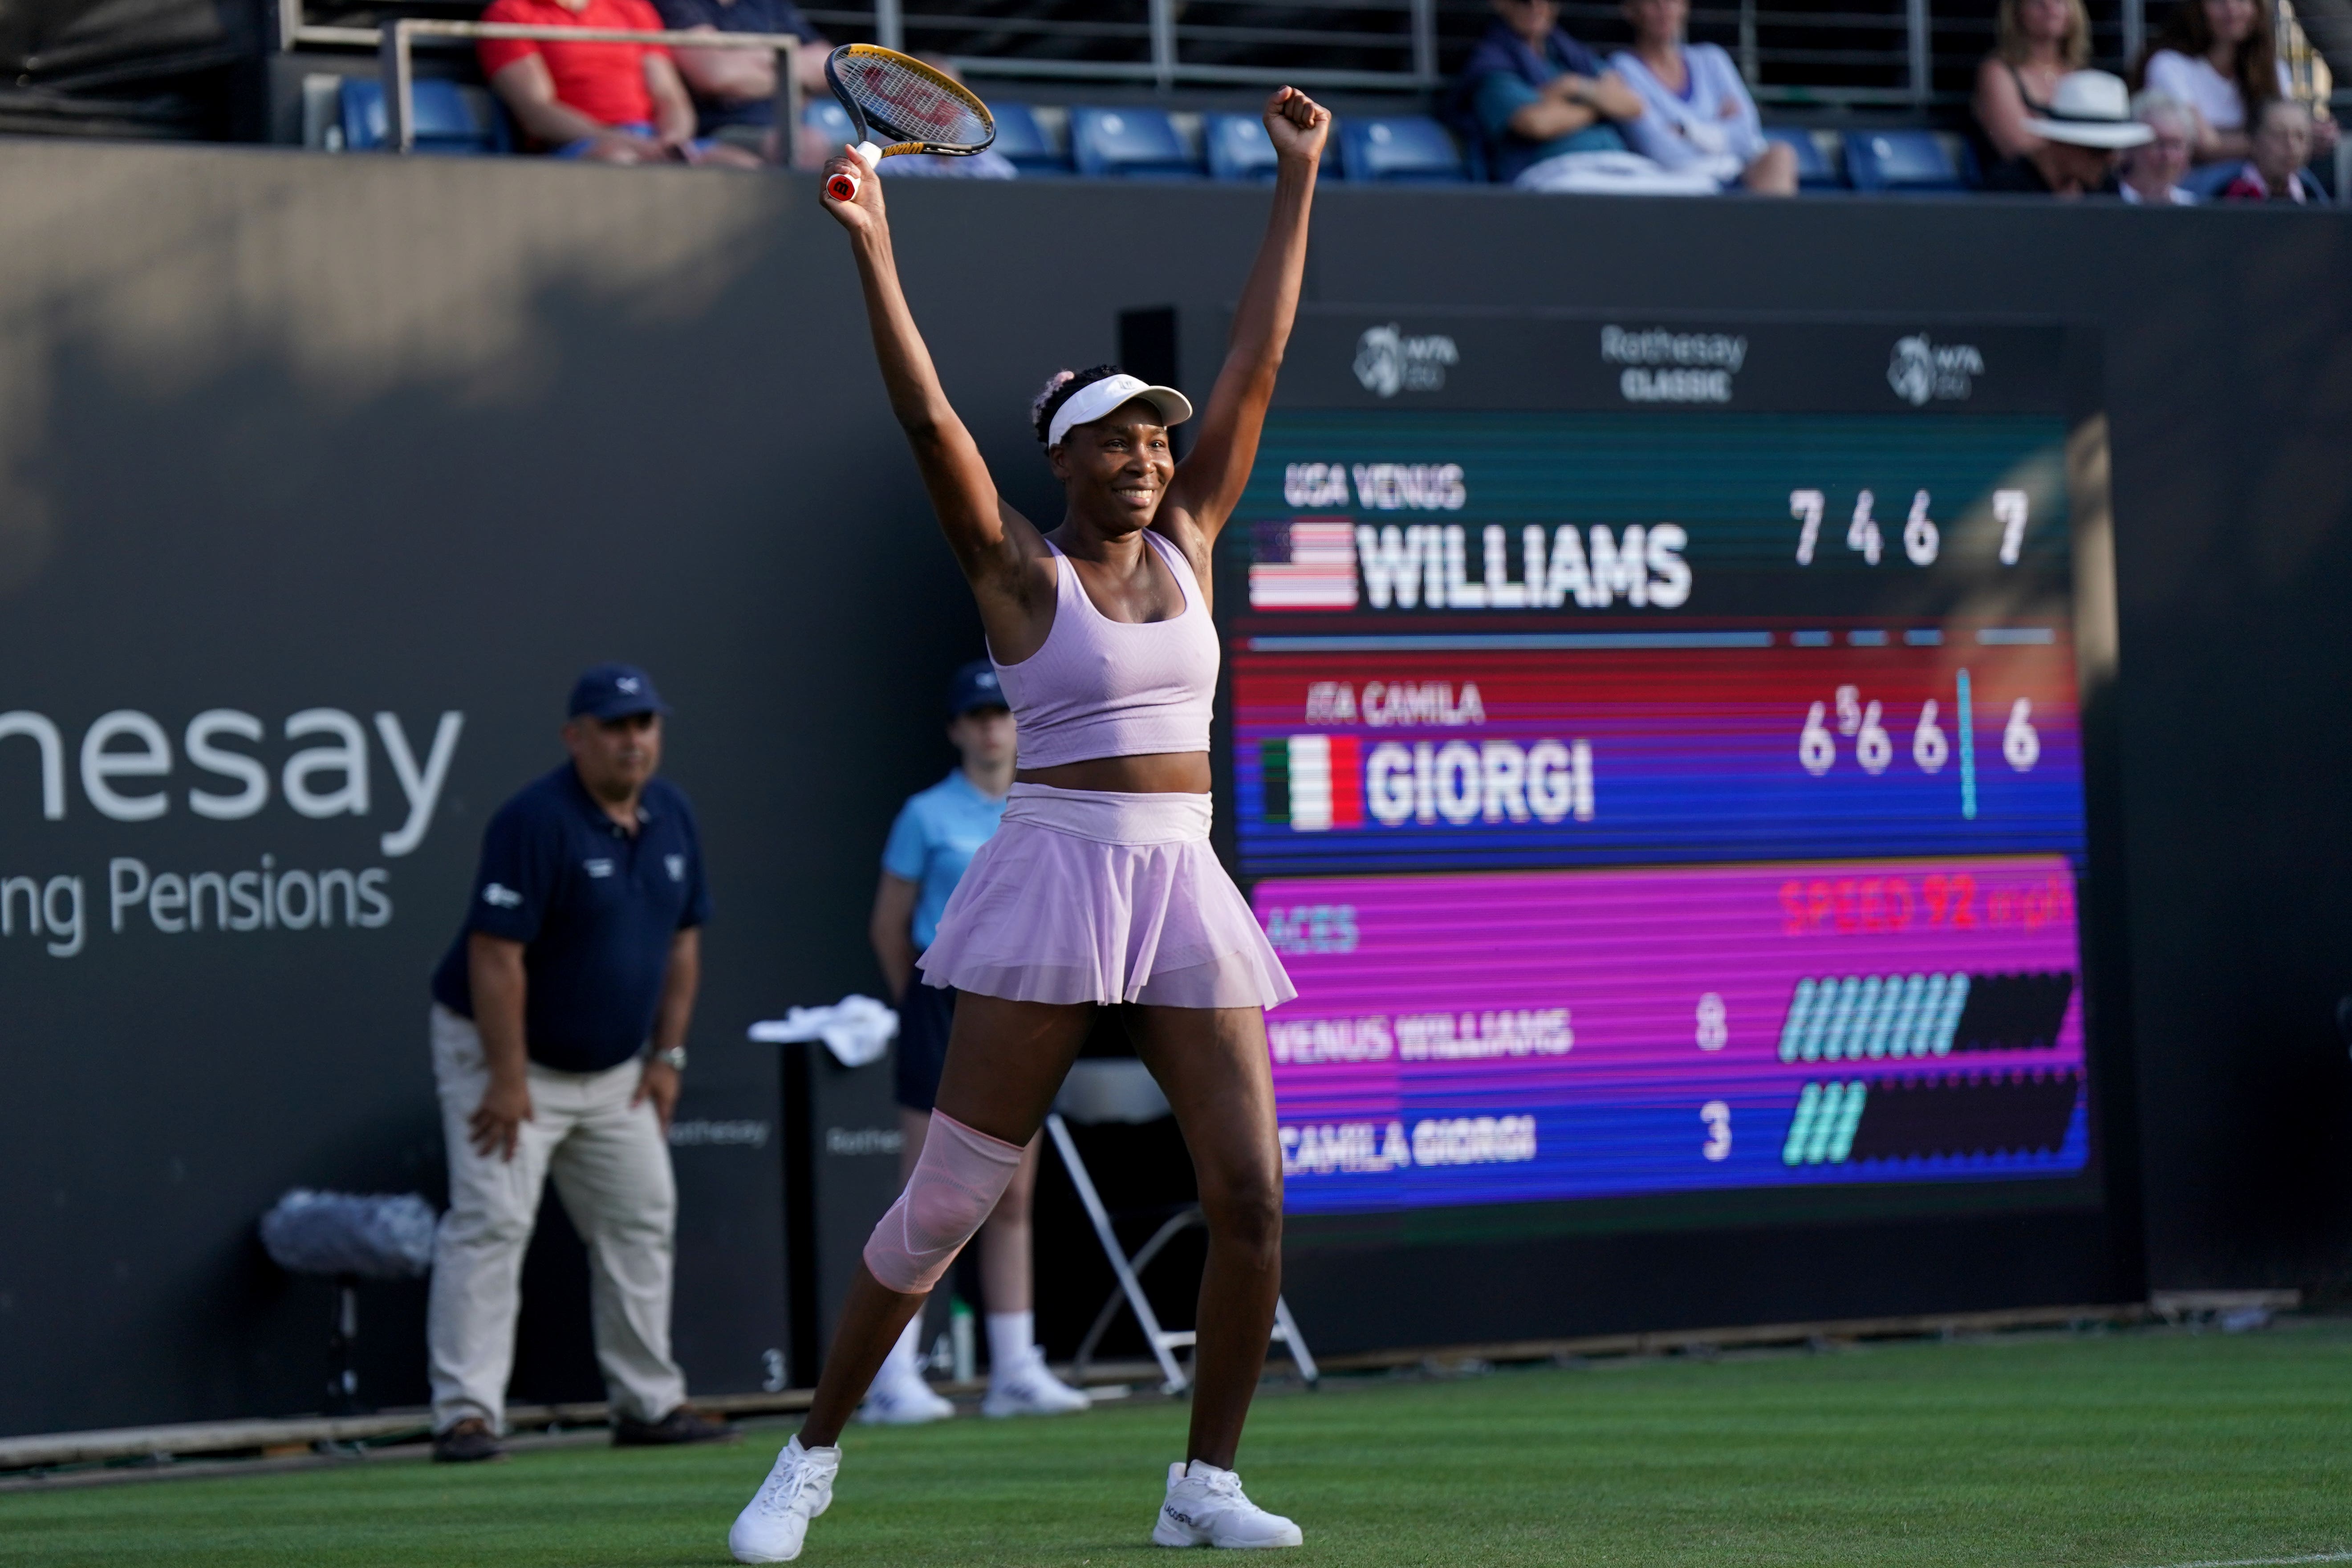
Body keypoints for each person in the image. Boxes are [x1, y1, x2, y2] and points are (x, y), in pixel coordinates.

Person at [727, 85, 1324, 1564]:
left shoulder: (1188, 539)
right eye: (1109, 437)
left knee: (1250, 1197)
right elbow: (926, 417)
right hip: (1054, 872)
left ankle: (1201, 1485)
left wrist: (1296, 178)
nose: (1141, 451)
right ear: (1059, 462)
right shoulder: (1016, 574)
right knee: (946, 1202)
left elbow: (1256, 357)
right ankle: (808, 1458)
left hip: (1178, 877)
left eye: (1150, 434)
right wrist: (872, 242)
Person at [426, 664, 731, 1463]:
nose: (633, 741)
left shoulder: (672, 814)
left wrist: (667, 1056)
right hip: (507, 1059)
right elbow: (495, 955)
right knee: (491, 1221)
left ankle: (647, 1402)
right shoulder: (535, 820)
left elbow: (684, 941)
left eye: (644, 726)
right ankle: (465, 1413)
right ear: (576, 738)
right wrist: (508, 1076)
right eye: (614, 727)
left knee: (640, 1216)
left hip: (615, 1071)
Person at [860, 659, 1089, 1422]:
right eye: (977, 715)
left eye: (1002, 712)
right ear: (957, 729)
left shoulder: (1042, 807)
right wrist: (925, 995)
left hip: (1021, 1002)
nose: (992, 726)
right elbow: (889, 927)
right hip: (942, 1002)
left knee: (1015, 1192)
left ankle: (1015, 1369)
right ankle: (891, 1376)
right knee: (930, 1194)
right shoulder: (924, 814)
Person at [477, 0, 760, 165]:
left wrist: (673, 141)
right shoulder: (508, 14)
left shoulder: (632, 7)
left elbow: (668, 94)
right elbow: (538, 113)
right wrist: (626, 142)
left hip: (653, 139)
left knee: (741, 166)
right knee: (620, 161)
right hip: (577, 146)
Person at [1455, 0, 1650, 187]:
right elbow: (1537, 124)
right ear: (1501, 3)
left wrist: (1575, 87)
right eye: (1524, 1)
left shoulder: (1566, 51)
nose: (1537, 7)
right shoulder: (1491, 63)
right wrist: (1601, 105)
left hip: (1619, 165)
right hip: (1551, 176)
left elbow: (1632, 104)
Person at [1610, 0, 1796, 193]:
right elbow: (1663, 153)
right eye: (1653, 3)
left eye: (1672, 1)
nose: (1664, 9)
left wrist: (1687, 132)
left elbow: (1748, 136)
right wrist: (1720, 129)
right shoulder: (1623, 69)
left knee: (1781, 155)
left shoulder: (1712, 59)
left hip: (1734, 179)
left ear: (1685, 6)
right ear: (1631, 10)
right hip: (1673, 190)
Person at [2137, 0, 2334, 166]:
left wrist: (2310, 133)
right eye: (2219, 0)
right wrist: (2294, 139)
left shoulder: (2274, 68)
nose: (2231, 9)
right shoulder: (2168, 65)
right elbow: (2204, 145)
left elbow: (2285, 128)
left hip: (2264, 180)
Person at [650, 0, 828, 162]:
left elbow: (833, 67)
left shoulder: (768, 5)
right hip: (717, 130)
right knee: (807, 144)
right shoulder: (680, 4)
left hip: (785, 124)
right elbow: (717, 75)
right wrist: (785, 59)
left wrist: (753, 59)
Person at [1982, 69, 2149, 195]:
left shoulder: (2105, 189)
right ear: (2061, 142)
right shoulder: (2007, 190)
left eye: (2114, 148)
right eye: (2099, 149)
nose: (2111, 159)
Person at [1973, 0, 2092, 162]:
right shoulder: (1997, 72)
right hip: (2021, 183)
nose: (2050, 7)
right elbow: (2018, 148)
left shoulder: (2083, 76)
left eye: (2060, 0)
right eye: (2037, 1)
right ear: (2017, 12)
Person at [2220, 95, 2326, 200]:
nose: (2292, 146)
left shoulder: (2313, 195)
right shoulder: (2226, 195)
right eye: (2279, 135)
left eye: (2301, 136)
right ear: (2254, 141)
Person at [2122, 91, 2201, 203]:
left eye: (2176, 146)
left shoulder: (2191, 206)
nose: (2168, 156)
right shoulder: (2109, 200)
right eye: (2159, 144)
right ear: (2133, 147)